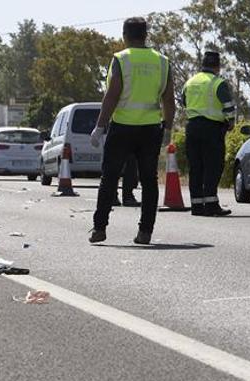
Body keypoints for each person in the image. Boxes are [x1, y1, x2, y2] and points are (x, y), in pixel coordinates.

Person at [89, 17, 175, 245]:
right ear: (145, 35)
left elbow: (113, 94)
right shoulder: (163, 61)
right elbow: (168, 98)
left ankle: (99, 228)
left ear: (125, 35)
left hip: (123, 128)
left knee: (109, 178)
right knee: (149, 180)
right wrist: (167, 127)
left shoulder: (121, 59)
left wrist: (99, 126)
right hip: (150, 129)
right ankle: (145, 232)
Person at [182, 51, 235, 216]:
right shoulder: (218, 82)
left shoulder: (189, 82)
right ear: (217, 66)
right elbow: (228, 106)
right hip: (212, 129)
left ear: (202, 64)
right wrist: (230, 122)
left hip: (192, 127)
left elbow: (184, 101)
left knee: (196, 167)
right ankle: (211, 204)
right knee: (213, 166)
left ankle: (197, 206)